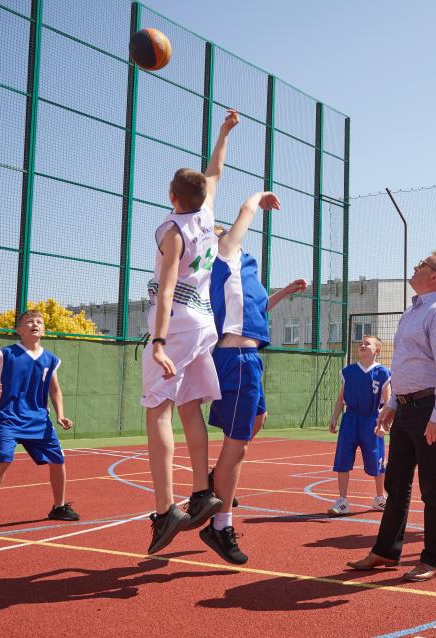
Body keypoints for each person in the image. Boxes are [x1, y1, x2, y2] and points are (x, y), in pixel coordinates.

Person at [140, 109, 239, 555]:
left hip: (177, 322)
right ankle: (202, 491)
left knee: (157, 410)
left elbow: (165, 291)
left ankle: (166, 509)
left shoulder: (173, 230)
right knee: (189, 407)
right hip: (204, 323)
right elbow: (215, 171)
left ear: (171, 197)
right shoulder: (206, 214)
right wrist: (224, 132)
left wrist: (159, 342)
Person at [201, 190, 307, 564]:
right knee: (238, 445)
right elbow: (244, 214)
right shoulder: (221, 255)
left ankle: (218, 477)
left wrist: (286, 291)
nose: (226, 234)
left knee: (259, 419)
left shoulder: (245, 269)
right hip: (236, 358)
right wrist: (258, 197)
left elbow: (258, 308)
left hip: (249, 357)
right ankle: (219, 524)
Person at [346, 251, 436, 582]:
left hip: (428, 408)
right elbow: (404, 363)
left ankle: (433, 559)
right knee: (396, 483)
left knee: (432, 488)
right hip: (406, 407)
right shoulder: (413, 311)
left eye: (422, 265)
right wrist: (393, 403)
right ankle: (386, 550)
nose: (415, 267)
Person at [0, 309, 79, 532]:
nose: (35, 324)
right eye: (30, 321)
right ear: (19, 330)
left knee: (58, 459)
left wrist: (60, 415)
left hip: (38, 420)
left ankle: (59, 507)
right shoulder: (6, 354)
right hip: (9, 417)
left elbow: (55, 390)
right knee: (3, 458)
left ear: (44, 330)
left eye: (39, 322)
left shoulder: (50, 359)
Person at [328, 335, 392, 516]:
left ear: (377, 350)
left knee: (377, 460)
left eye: (367, 344)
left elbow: (388, 402)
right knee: (343, 459)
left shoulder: (382, 372)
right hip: (350, 419)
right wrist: (334, 416)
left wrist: (383, 424)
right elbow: (341, 398)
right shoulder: (349, 371)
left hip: (372, 420)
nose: (362, 345)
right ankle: (342, 501)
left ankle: (380, 498)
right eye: (361, 343)